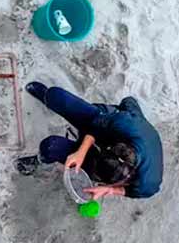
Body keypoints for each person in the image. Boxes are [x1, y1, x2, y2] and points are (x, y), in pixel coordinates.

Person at [15, 81, 163, 201]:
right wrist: (81, 151)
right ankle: (46, 96)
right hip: (110, 125)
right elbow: (98, 124)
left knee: (50, 147)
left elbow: (136, 192)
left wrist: (110, 190)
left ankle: (39, 160)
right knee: (57, 96)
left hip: (127, 132)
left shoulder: (148, 185)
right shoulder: (125, 123)